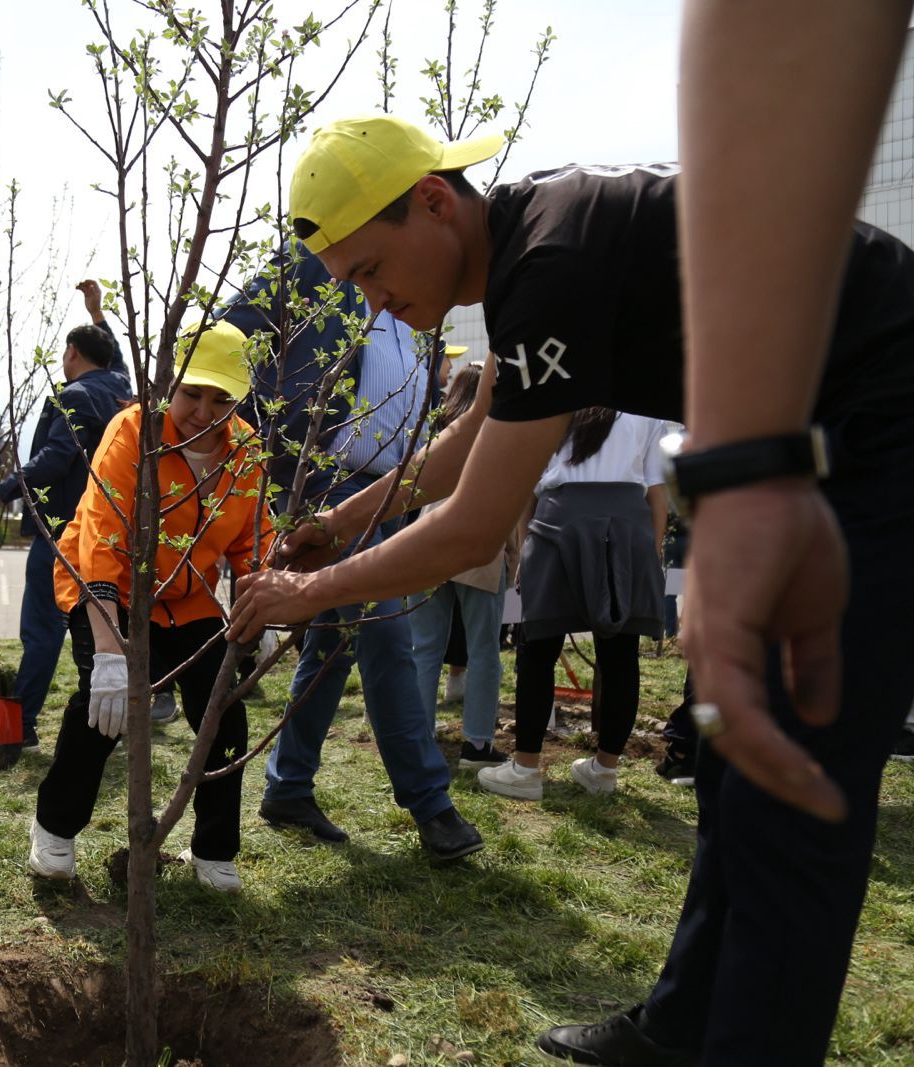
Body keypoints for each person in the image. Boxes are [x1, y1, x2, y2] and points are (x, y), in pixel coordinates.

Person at [225, 106, 914, 1065]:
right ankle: (680, 1027)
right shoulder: (532, 251)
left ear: (433, 202)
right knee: (736, 755)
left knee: (798, 781)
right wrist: (342, 520)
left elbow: (465, 526)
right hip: (806, 436)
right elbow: (468, 442)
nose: (372, 303)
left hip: (881, 423)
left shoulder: (549, 264)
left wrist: (306, 592)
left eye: (372, 271)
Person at [223, 240, 484, 859]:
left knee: (334, 644)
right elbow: (234, 332)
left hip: (388, 488)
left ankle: (288, 784)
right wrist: (273, 440)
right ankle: (431, 803)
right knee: (386, 634)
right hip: (325, 480)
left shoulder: (422, 299)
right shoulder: (318, 261)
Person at [29, 322, 272, 893]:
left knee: (224, 715)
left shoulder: (247, 454)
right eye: (191, 393)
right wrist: (111, 652)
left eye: (221, 398)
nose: (201, 410)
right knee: (103, 709)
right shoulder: (132, 433)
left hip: (187, 599)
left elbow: (250, 543)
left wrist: (259, 604)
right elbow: (103, 543)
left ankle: (214, 850)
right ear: (170, 384)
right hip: (105, 587)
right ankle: (54, 829)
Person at [0, 280, 131, 748]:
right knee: (98, 626)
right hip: (108, 531)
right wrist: (98, 314)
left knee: (41, 630)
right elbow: (114, 357)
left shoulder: (75, 397)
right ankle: (111, 721)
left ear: (73, 352)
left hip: (63, 532)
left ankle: (25, 723)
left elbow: (54, 458)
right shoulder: (120, 389)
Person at [477, 410, 667, 801]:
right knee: (620, 654)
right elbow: (656, 488)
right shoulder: (646, 404)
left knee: (537, 648)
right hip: (629, 524)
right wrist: (653, 549)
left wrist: (524, 548)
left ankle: (526, 768)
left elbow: (529, 483)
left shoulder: (556, 397)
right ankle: (604, 770)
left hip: (557, 521)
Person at [407, 362, 513, 774]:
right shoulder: (498, 432)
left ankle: (417, 739)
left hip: (429, 545)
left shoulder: (439, 431)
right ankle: (477, 744)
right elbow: (515, 502)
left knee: (425, 647)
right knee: (485, 649)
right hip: (480, 548)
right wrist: (514, 556)